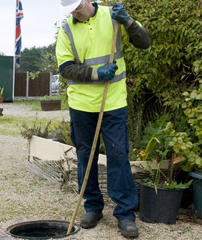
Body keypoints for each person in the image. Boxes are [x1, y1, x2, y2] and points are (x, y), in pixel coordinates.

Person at [56, 0, 151, 238]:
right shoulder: (67, 29)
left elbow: (145, 42)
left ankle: (125, 214)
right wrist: (96, 73)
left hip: (113, 102)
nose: (75, 13)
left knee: (118, 155)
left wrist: (128, 21)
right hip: (81, 104)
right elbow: (66, 68)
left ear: (88, 1)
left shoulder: (113, 16)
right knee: (85, 156)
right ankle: (93, 207)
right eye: (71, 11)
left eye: (78, 7)